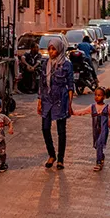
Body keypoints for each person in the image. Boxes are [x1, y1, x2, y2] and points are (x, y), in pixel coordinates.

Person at [37, 36, 74, 170]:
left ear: (59, 49)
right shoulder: (45, 64)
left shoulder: (66, 64)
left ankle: (60, 159)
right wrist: (40, 101)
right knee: (45, 128)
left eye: (54, 49)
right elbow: (41, 84)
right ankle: (51, 154)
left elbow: (70, 85)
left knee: (61, 131)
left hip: (61, 100)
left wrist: (69, 103)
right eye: (50, 49)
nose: (51, 52)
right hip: (47, 99)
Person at [71, 86, 110, 171]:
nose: (97, 97)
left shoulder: (107, 107)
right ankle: (101, 156)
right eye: (95, 95)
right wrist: (73, 112)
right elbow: (82, 111)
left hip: (104, 130)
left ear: (104, 96)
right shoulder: (92, 107)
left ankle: (98, 162)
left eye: (99, 95)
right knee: (97, 145)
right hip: (96, 130)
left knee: (99, 143)